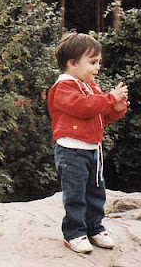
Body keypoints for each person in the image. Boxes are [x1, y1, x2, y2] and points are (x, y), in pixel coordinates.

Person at [47, 33, 129, 254]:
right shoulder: (64, 87)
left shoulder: (91, 86)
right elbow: (83, 107)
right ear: (72, 64)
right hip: (71, 150)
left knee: (96, 192)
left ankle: (95, 228)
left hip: (94, 149)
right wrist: (109, 98)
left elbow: (98, 115)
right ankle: (74, 233)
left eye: (98, 62)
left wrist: (116, 109)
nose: (97, 67)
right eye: (92, 62)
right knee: (75, 194)